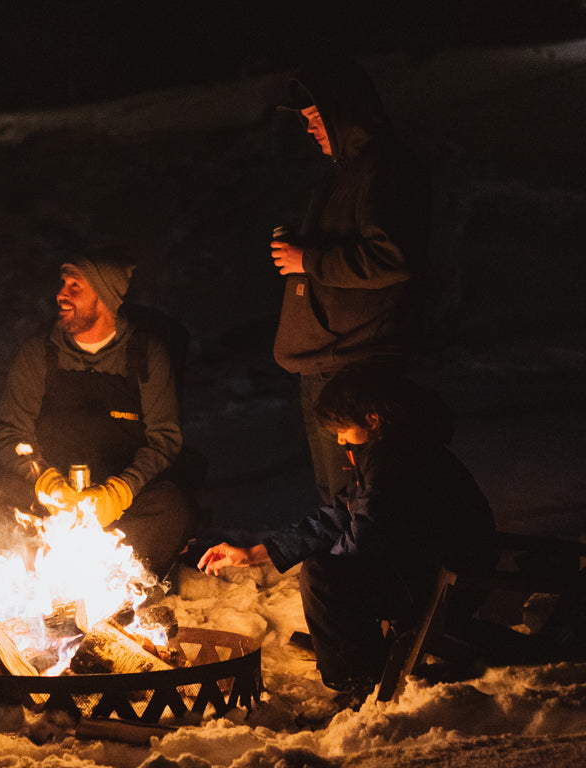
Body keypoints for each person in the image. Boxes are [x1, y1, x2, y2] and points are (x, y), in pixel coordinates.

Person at [198, 365, 495, 697]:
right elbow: (339, 515)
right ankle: (356, 659)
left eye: (343, 429)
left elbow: (365, 537)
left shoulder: (395, 459)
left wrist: (329, 578)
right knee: (325, 571)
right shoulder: (390, 450)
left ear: (373, 419)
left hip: (446, 586)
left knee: (322, 576)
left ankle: (356, 679)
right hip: (433, 576)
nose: (339, 440)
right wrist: (256, 553)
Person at [270, 55, 432, 508]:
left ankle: (364, 558)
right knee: (336, 498)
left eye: (315, 117)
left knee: (358, 497)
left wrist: (309, 259)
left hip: (354, 364)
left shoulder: (385, 169)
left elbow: (391, 259)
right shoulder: (347, 172)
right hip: (327, 360)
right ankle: (343, 554)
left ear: (343, 112)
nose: (309, 129)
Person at [0, 247, 196, 579]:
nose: (61, 294)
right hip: (52, 506)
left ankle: (118, 584)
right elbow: (10, 434)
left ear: (104, 298)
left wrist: (120, 491)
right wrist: (45, 481)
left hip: (122, 507)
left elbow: (164, 441)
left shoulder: (147, 354)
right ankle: (33, 581)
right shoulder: (38, 353)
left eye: (75, 286)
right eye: (63, 283)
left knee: (172, 508)